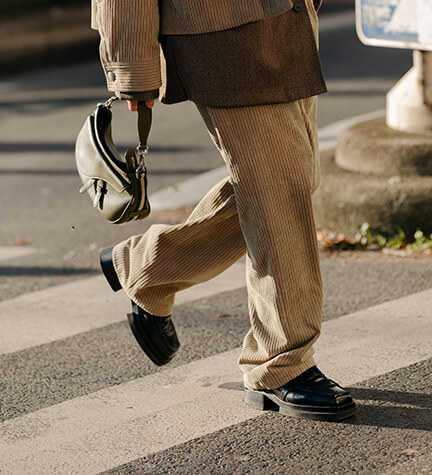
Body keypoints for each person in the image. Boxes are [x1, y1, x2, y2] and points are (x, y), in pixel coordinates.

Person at [93, 0, 357, 421]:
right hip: (219, 31)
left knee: (288, 185)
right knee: (279, 189)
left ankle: (147, 265)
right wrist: (132, 63)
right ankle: (281, 363)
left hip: (289, 23)